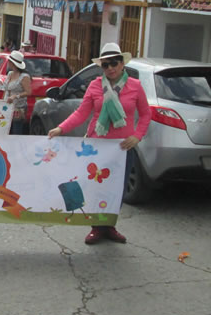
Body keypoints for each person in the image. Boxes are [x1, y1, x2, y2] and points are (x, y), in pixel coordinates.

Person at [48, 42, 150, 245]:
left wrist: (137, 136)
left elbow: (146, 115)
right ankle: (96, 227)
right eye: (106, 64)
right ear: (101, 67)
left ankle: (109, 226)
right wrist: (61, 128)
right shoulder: (95, 86)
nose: (110, 68)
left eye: (114, 63)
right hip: (97, 147)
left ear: (122, 64)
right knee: (96, 187)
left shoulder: (135, 87)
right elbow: (81, 113)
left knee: (117, 189)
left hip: (122, 148)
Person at [2, 51, 32, 134]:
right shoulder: (10, 74)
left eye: (9, 61)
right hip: (7, 108)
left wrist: (16, 96)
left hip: (18, 110)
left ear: (13, 63)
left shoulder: (24, 77)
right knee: (5, 131)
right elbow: (6, 90)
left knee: (16, 132)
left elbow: (28, 92)